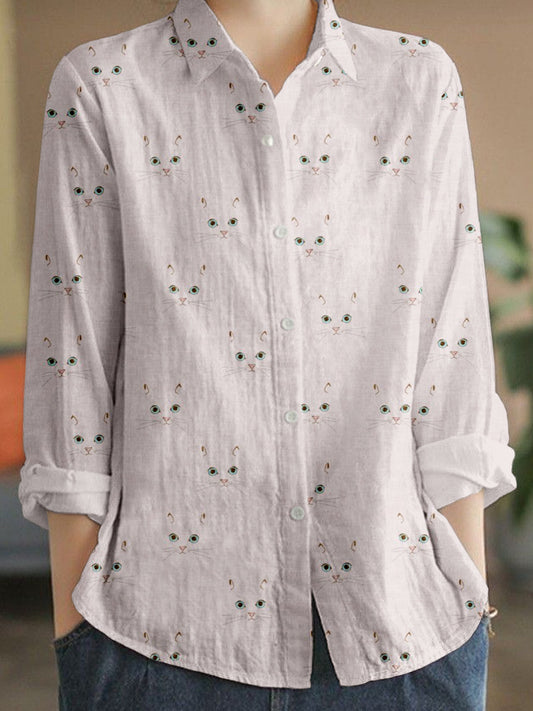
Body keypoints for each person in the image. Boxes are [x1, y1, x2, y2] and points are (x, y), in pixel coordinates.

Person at [19, 0, 516, 709]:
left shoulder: (417, 78)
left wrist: (467, 606)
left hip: (404, 637)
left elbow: (452, 363)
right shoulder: (101, 84)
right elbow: (74, 379)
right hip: (153, 644)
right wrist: (80, 640)